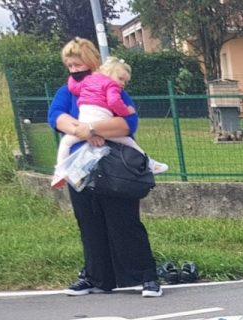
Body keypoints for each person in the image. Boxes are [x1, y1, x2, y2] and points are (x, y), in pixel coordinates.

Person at [48, 38, 162, 297]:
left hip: (114, 166)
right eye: (69, 65)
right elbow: (56, 116)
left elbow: (127, 124)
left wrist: (91, 129)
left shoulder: (111, 86)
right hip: (80, 167)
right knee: (89, 223)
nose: (74, 69)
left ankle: (146, 277)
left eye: (78, 64)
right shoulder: (66, 92)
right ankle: (96, 277)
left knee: (125, 222)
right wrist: (84, 131)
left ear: (91, 62)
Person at [51, 56, 167, 189]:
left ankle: (60, 171)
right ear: (110, 74)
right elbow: (114, 103)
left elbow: (73, 87)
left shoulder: (88, 81)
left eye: (125, 81)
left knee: (65, 142)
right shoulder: (111, 85)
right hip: (102, 124)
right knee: (128, 142)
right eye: (121, 79)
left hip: (84, 123)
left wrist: (87, 131)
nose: (123, 84)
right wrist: (126, 111)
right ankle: (150, 163)